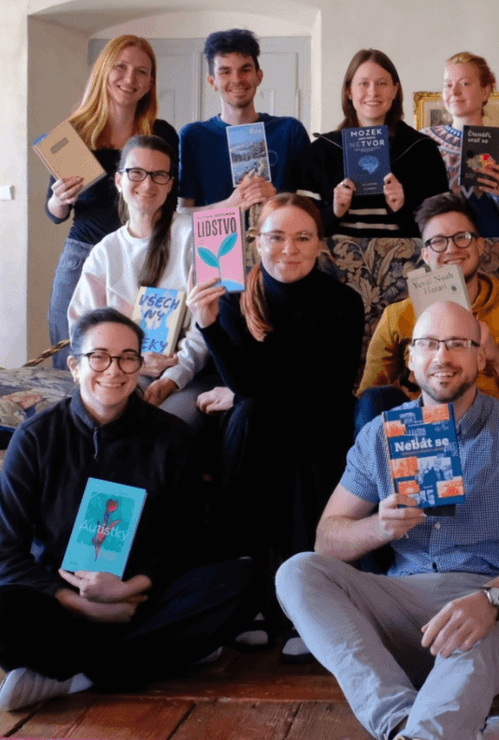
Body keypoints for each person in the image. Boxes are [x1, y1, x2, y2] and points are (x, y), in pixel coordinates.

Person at [276, 300, 499, 740]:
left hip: (497, 604)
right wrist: (379, 527)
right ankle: (399, 720)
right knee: (296, 571)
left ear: (480, 356)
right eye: (428, 344)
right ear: (410, 360)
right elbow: (326, 540)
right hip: (405, 602)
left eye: (457, 344)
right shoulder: (381, 434)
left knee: (472, 641)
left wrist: (490, 601)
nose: (442, 357)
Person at [0, 307, 252, 712]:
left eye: (128, 357)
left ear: (139, 364)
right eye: (99, 357)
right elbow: (3, 556)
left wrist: (128, 590)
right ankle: (159, 654)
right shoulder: (36, 438)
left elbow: (191, 543)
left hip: (143, 601)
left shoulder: (172, 438)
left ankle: (74, 677)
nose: (114, 370)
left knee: (243, 580)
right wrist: (79, 603)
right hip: (62, 605)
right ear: (74, 366)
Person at [187, 193, 364, 653]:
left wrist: (246, 388)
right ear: (255, 243)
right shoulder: (231, 300)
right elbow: (251, 385)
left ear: (320, 244)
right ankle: (249, 595)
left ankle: (297, 607)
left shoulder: (343, 301)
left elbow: (328, 385)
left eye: (303, 237)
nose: (289, 249)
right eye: (277, 237)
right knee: (253, 415)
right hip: (265, 423)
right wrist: (208, 327)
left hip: (321, 421)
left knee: (264, 416)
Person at [354, 192, 499, 432]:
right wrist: (414, 376)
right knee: (374, 400)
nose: (452, 248)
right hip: (419, 431)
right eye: (438, 241)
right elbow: (369, 395)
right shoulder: (397, 315)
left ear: (480, 245)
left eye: (462, 237)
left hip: (492, 434)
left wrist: (496, 358)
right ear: (425, 255)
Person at [44, 35, 179, 369]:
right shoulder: (73, 134)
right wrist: (60, 199)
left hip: (144, 258)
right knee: (72, 358)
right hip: (83, 254)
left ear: (150, 83)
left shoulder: (161, 134)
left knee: (138, 359)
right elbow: (55, 213)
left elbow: (174, 199)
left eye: (141, 72)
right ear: (104, 71)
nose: (129, 79)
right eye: (121, 67)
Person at [68, 135, 213, 428]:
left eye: (159, 175)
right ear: (119, 180)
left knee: (161, 424)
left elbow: (208, 326)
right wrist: (127, 364)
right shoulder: (105, 252)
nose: (147, 184)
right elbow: (83, 328)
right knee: (101, 416)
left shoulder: (195, 238)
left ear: (170, 183)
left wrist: (171, 379)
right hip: (121, 370)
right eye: (136, 173)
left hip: (189, 374)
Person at [291, 49, 449, 237]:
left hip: (407, 263)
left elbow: (443, 230)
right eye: (363, 84)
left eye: (382, 83)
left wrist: (401, 209)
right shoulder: (320, 151)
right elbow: (300, 230)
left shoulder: (422, 150)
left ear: (395, 90)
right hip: (334, 265)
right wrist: (334, 212)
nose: (373, 92)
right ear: (349, 91)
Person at [177, 29, 310, 215]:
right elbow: (183, 214)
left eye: (245, 70)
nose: (236, 79)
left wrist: (276, 200)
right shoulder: (193, 136)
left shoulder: (289, 131)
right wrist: (230, 206)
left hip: (277, 242)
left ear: (259, 76)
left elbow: (312, 207)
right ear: (212, 81)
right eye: (225, 72)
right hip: (218, 244)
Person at [418, 52, 499, 236]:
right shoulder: (423, 142)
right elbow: (409, 213)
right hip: (440, 253)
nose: (455, 92)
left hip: (491, 255)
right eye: (448, 85)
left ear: (485, 90)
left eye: (464, 83)